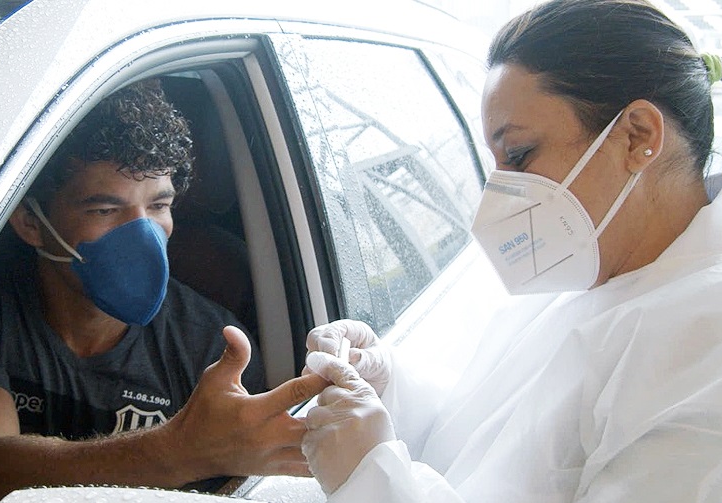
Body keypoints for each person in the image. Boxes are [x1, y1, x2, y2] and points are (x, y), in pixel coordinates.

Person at [300, 0, 722, 501]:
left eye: (519, 155)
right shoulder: (591, 266)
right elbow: (495, 434)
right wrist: (390, 386)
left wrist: (375, 480)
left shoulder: (704, 345)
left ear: (637, 136)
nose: (498, 198)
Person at [0, 79, 328, 503]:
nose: (143, 233)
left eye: (159, 206)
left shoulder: (213, 344)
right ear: (31, 223)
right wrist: (179, 452)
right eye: (105, 209)